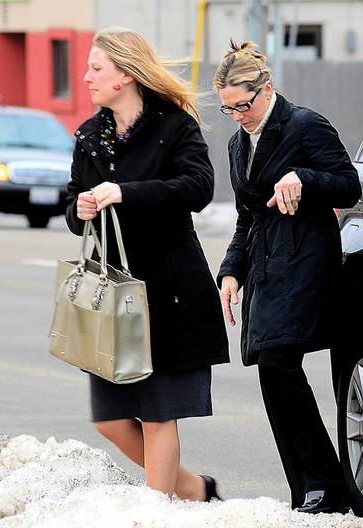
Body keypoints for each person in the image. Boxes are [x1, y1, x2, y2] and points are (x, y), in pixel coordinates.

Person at [64, 28, 229, 501]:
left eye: (97, 68)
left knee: (160, 416)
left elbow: (198, 188)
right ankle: (194, 489)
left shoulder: (174, 126)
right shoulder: (90, 135)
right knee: (112, 420)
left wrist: (127, 193)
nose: (86, 77)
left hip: (169, 293)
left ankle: (157, 510)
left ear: (126, 73)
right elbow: (72, 204)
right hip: (112, 296)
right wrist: (79, 209)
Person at [214, 40, 361, 514]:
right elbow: (246, 217)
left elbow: (349, 185)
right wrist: (231, 271)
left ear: (267, 88)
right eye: (228, 108)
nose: (238, 115)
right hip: (264, 267)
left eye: (244, 104)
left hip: (306, 262)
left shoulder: (304, 125)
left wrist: (303, 177)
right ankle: (308, 489)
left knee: (278, 360)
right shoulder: (239, 145)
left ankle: (325, 483)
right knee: (271, 371)